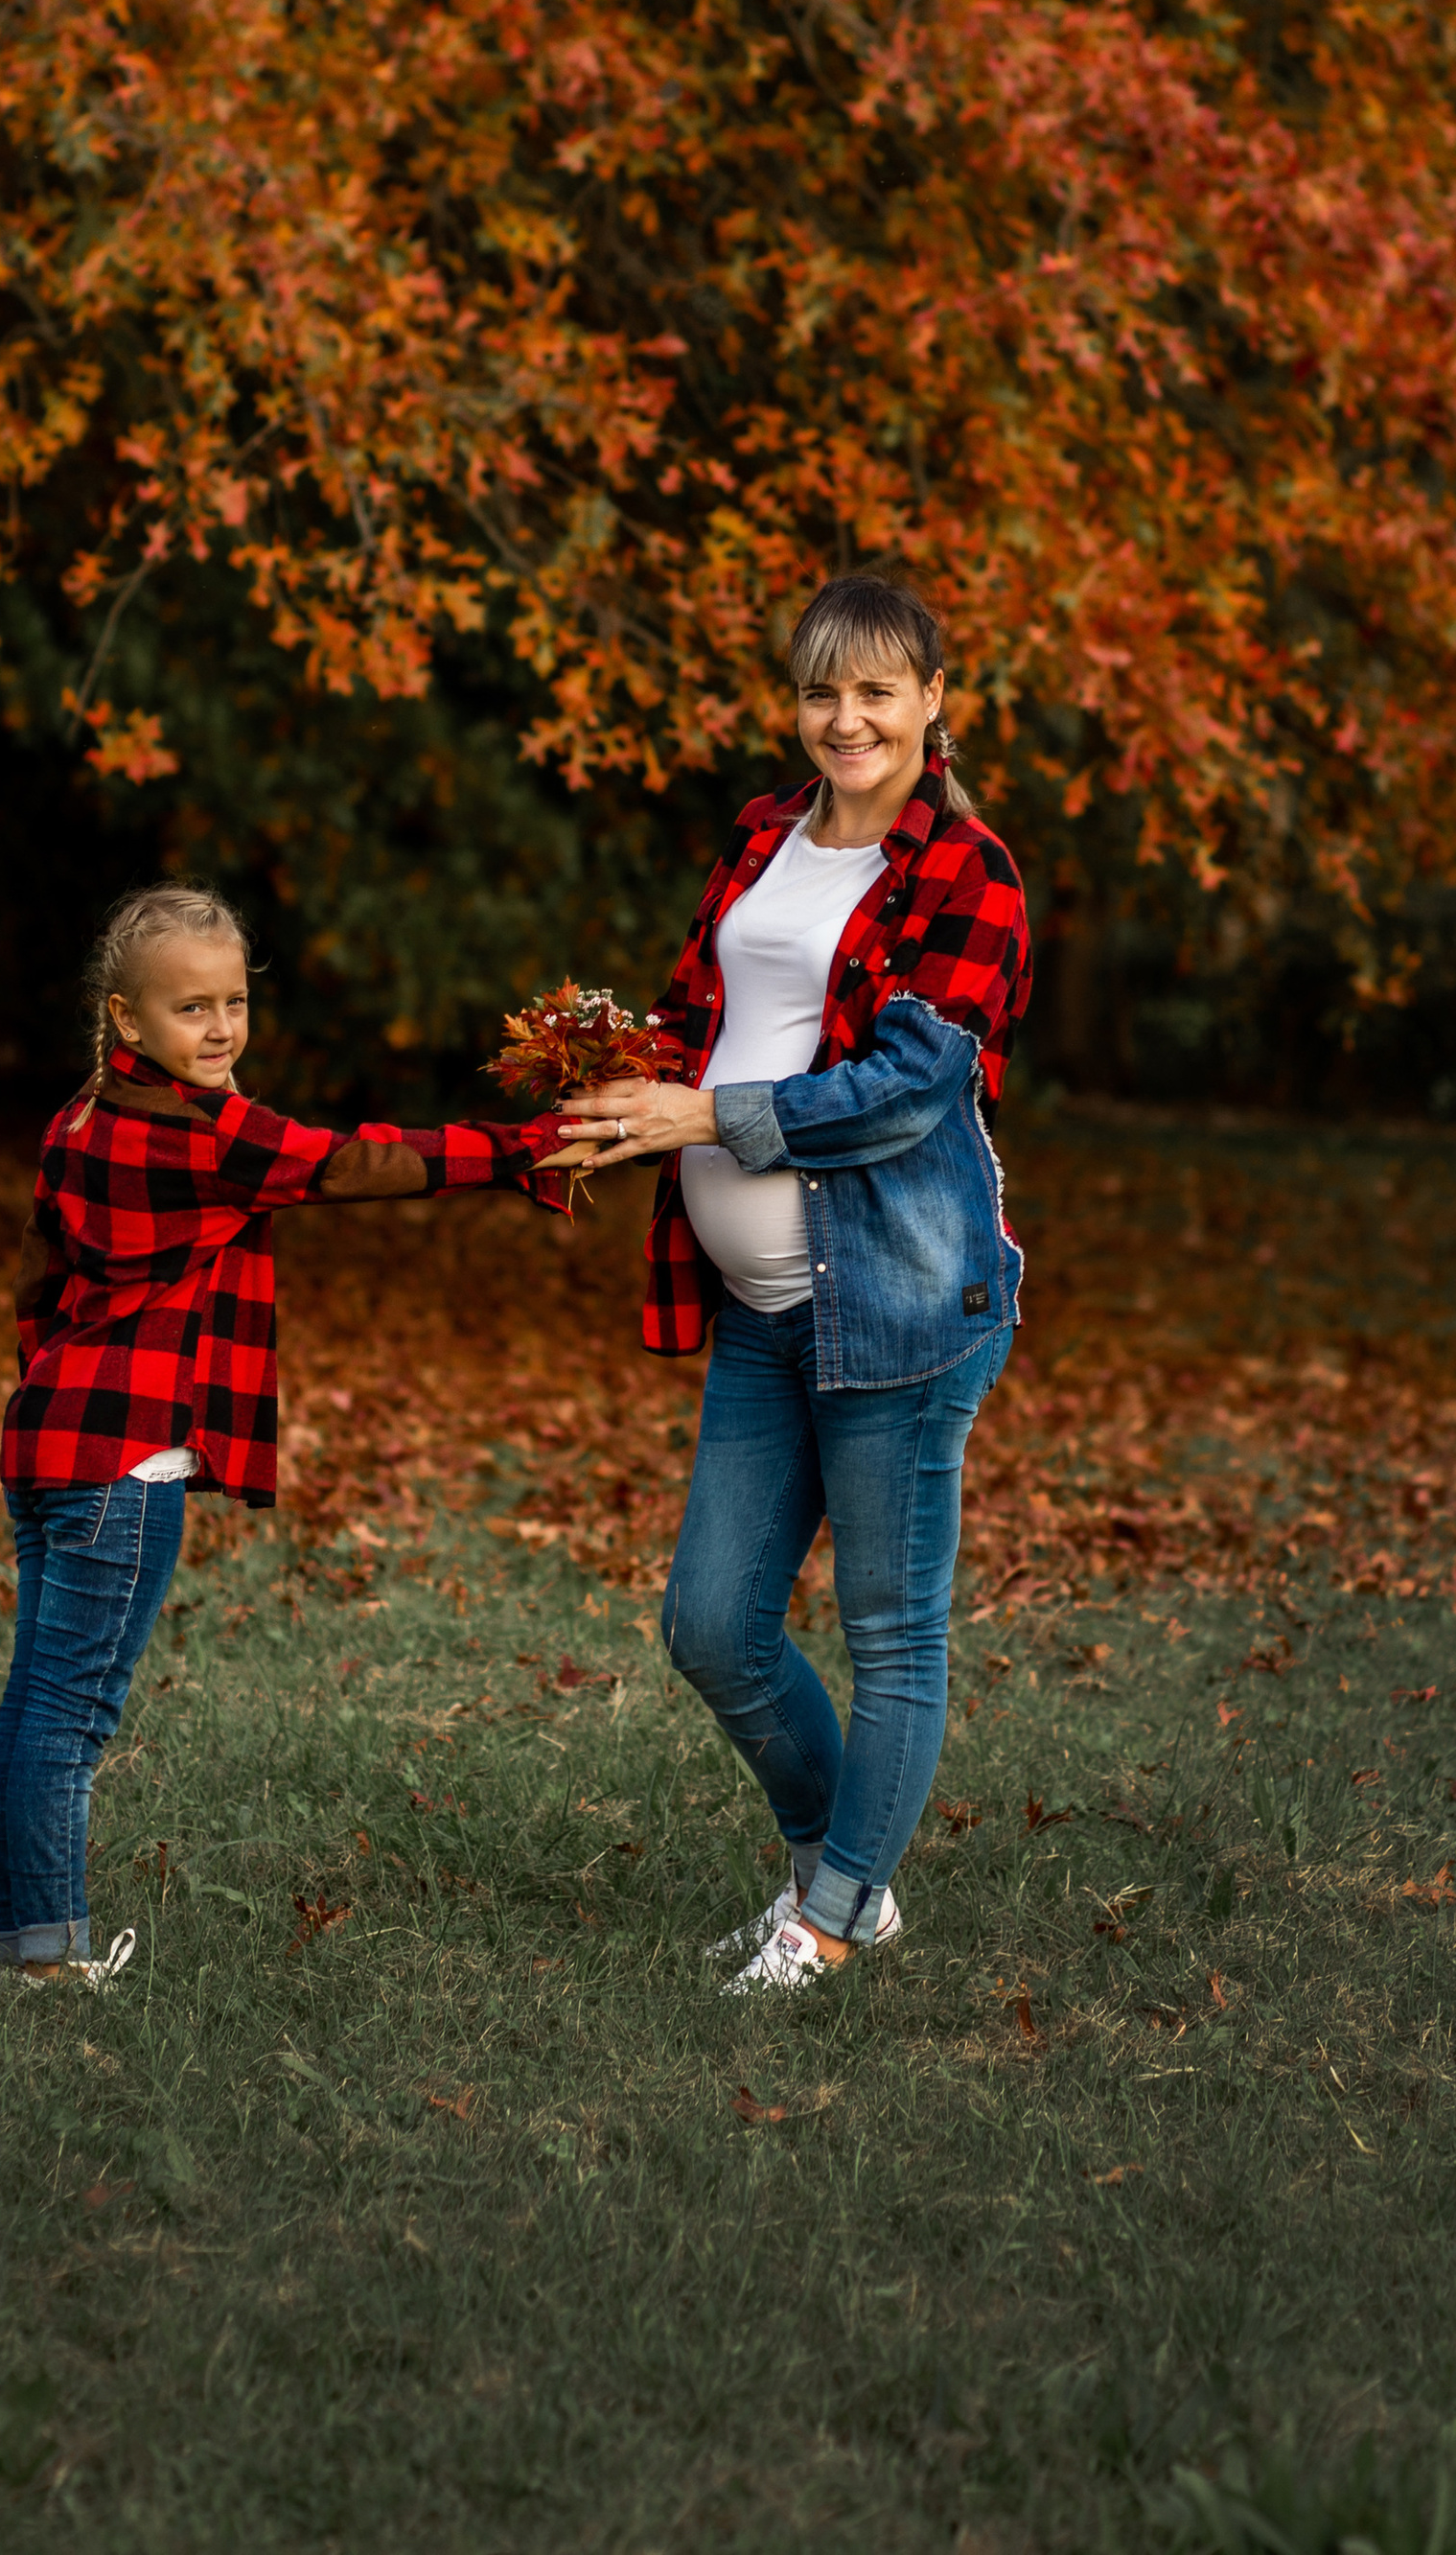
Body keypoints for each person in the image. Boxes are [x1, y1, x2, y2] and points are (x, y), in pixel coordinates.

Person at [541, 573, 1030, 1995]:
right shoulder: (764, 834)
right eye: (824, 689)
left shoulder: (968, 870)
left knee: (890, 1632)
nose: (847, 718)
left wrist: (708, 1120)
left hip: (898, 1298)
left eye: (878, 689)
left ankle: (825, 1917)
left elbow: (909, 1086)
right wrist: (606, 1075)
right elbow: (708, 1012)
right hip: (759, 1306)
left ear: (933, 700)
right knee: (711, 1626)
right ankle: (845, 1874)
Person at [0, 883, 563, 1989]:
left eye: (233, 1003)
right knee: (71, 1720)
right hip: (126, 1458)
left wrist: (45, 1396)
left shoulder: (80, 1119)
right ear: (127, 1020)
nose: (220, 1028)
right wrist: (530, 1147)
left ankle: (15, 1949)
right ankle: (46, 1968)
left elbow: (34, 1282)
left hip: (50, 1445)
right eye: (190, 1009)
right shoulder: (206, 1137)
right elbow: (361, 1158)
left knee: (33, 1707)